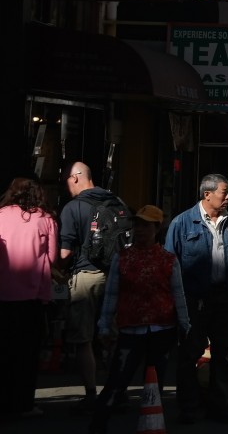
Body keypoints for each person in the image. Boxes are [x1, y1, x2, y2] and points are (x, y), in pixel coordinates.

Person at [90, 205, 191, 434]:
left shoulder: (168, 260)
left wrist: (184, 323)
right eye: (138, 224)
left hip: (162, 328)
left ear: (157, 228)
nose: (141, 229)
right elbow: (112, 293)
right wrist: (105, 324)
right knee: (117, 380)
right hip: (130, 328)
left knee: (155, 382)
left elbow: (178, 294)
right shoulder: (122, 258)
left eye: (146, 225)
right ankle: (98, 425)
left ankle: (150, 424)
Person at [165, 174, 228, 425]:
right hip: (195, 299)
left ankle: (219, 407)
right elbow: (170, 263)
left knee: (222, 354)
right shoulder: (182, 223)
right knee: (189, 354)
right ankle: (189, 408)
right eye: (224, 192)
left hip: (226, 297)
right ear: (207, 194)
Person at [58, 161, 125, 411]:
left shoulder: (72, 207)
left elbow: (65, 253)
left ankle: (90, 394)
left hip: (86, 275)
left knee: (83, 337)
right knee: (115, 335)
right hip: (117, 276)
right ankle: (117, 390)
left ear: (75, 178)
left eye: (66, 180)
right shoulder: (117, 202)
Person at [0, 177, 59, 418]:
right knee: (27, 353)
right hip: (32, 297)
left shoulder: (0, 214)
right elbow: (53, 257)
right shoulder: (45, 219)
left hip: (3, 295)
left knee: (4, 351)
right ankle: (24, 404)